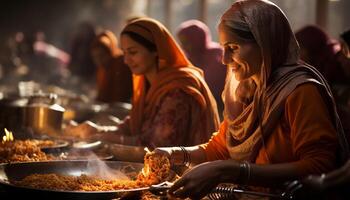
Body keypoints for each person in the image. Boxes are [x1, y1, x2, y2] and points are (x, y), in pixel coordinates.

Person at [151, 0, 350, 199]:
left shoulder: (300, 91)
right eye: (223, 48)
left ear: (265, 44)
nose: (225, 59)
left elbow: (319, 166)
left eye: (233, 47)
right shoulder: (247, 89)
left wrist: (234, 171)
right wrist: (175, 153)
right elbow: (220, 148)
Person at [64, 17, 220, 148]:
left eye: (133, 52)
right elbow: (133, 124)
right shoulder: (150, 83)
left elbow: (157, 145)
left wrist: (106, 138)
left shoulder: (178, 89)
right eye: (124, 53)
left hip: (186, 175)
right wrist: (97, 130)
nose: (126, 61)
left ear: (156, 50)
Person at [176, 20, 227, 115]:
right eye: (182, 42)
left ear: (197, 40)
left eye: (187, 42)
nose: (183, 46)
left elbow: (212, 85)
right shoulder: (188, 57)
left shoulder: (217, 55)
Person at [90, 30, 133, 103]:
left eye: (102, 56)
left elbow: (121, 96)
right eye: (95, 57)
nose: (99, 60)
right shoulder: (102, 70)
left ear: (110, 53)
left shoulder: (121, 65)